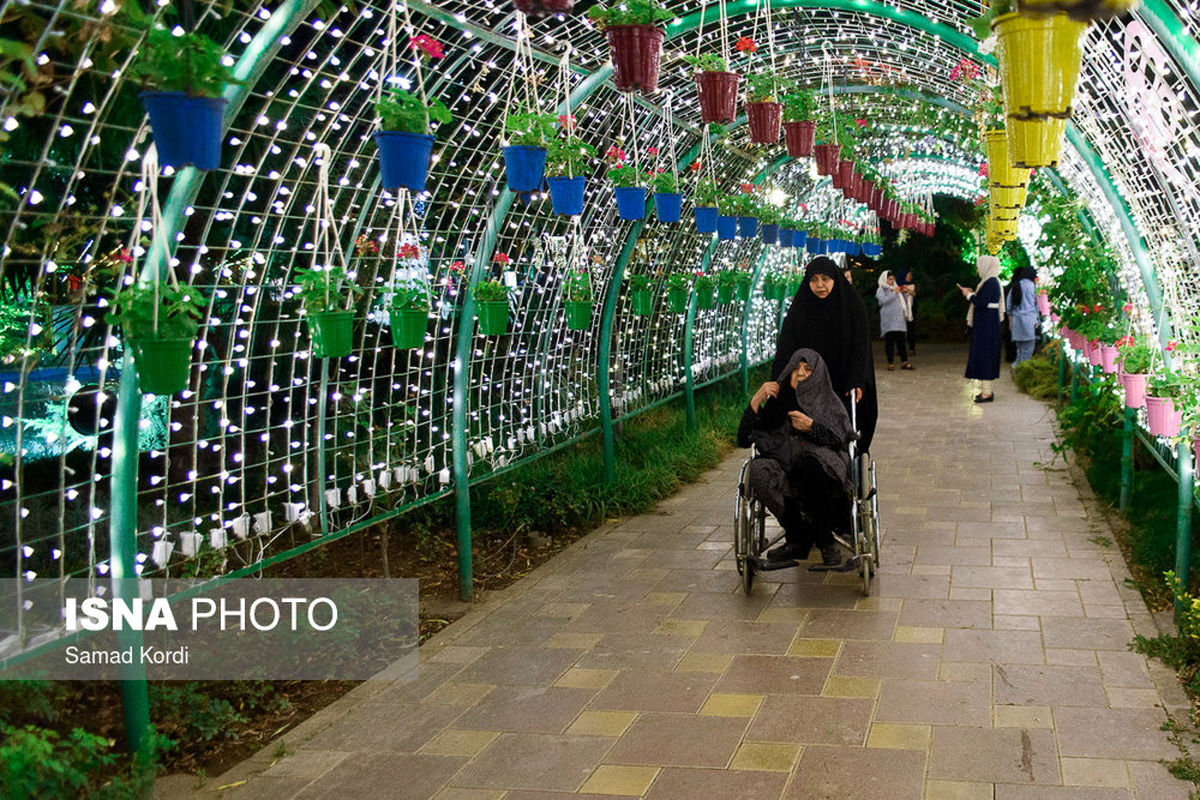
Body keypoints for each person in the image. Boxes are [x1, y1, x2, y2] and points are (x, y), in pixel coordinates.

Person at [738, 348, 855, 567]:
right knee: (757, 470)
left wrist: (813, 427)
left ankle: (825, 541)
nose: (800, 373)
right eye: (796, 369)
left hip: (821, 460)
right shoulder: (778, 401)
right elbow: (744, 438)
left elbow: (842, 440)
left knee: (809, 466)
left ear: (818, 375)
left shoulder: (827, 401)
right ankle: (798, 536)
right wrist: (757, 399)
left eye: (808, 369)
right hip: (783, 460)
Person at [772, 256, 877, 453]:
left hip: (843, 380)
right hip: (810, 384)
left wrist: (856, 381)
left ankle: (847, 457)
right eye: (814, 280)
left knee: (849, 417)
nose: (820, 285)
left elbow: (860, 349)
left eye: (825, 279)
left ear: (835, 279)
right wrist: (777, 380)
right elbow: (785, 348)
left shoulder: (853, 307)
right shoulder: (800, 309)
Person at [960, 255, 1006, 402]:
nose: (978, 268)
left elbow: (982, 302)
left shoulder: (991, 282)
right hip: (987, 323)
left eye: (979, 265)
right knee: (985, 354)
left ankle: (986, 392)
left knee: (985, 355)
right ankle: (986, 390)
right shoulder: (990, 282)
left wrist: (969, 296)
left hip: (986, 324)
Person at [876, 270, 913, 371]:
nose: (891, 281)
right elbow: (883, 301)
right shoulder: (881, 289)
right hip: (888, 320)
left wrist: (907, 292)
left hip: (899, 320)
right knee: (889, 342)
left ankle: (904, 361)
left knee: (901, 341)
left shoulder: (897, 288)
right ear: (885, 279)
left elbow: (905, 301)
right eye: (889, 279)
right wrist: (894, 293)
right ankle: (890, 362)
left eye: (893, 279)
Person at [1006, 266, 1038, 364]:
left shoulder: (1015, 286)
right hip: (1030, 322)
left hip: (1016, 322)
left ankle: (1016, 367)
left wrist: (1010, 321)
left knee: (1019, 350)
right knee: (1028, 350)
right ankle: (1021, 370)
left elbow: (1009, 306)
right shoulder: (1033, 287)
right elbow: (1037, 305)